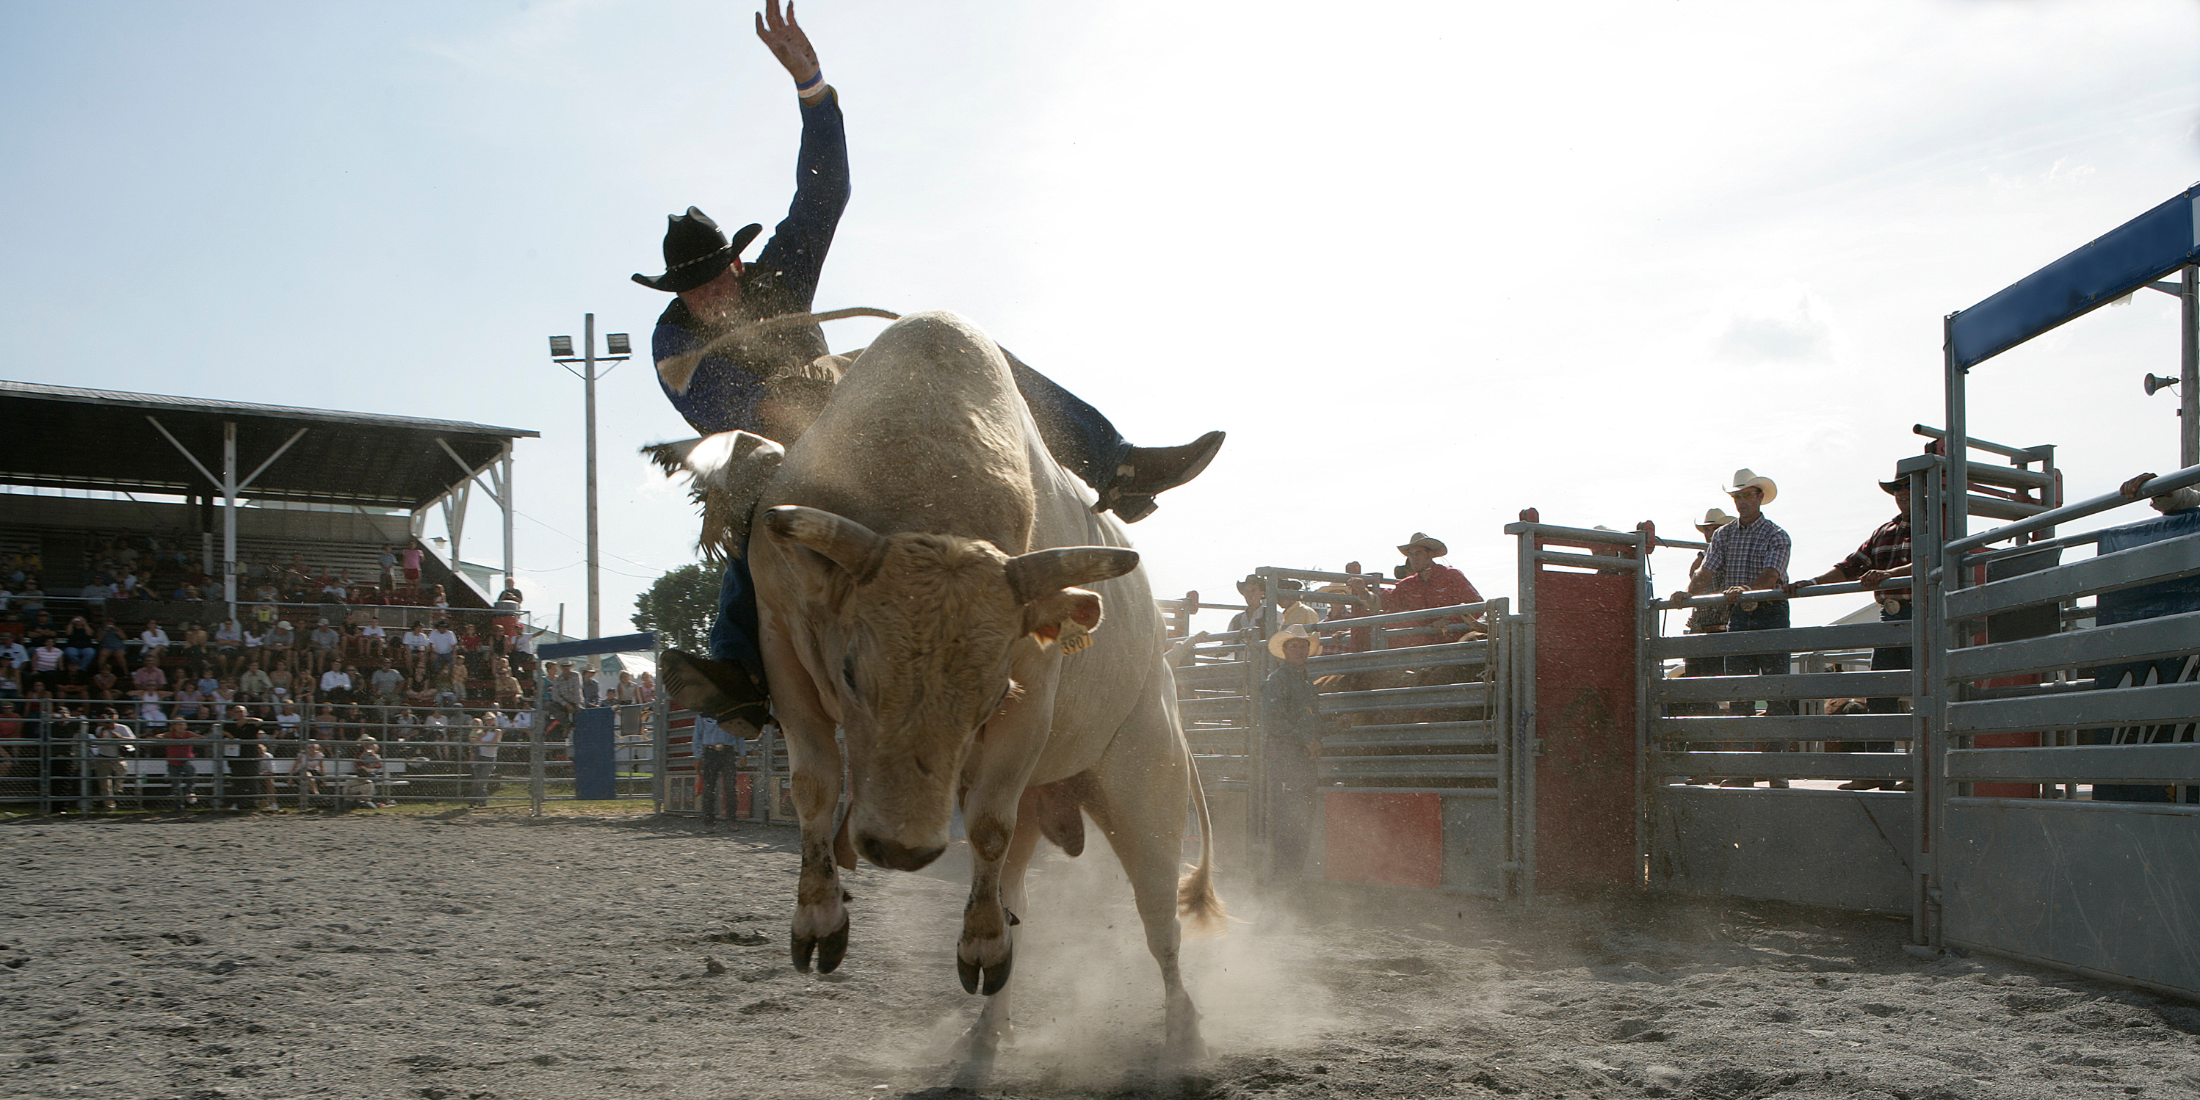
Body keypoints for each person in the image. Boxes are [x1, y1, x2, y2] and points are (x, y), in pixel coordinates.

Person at [642, 1, 1224, 729]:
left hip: (845, 410)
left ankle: (1114, 465)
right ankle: (739, 667)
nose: (709, 293)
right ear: (678, 294)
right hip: (783, 446)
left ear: (735, 260)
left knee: (980, 361)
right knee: (760, 504)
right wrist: (784, 407)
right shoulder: (674, 342)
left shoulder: (776, 276)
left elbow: (824, 194)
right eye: (694, 287)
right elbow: (727, 414)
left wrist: (812, 87)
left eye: (715, 276)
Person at [1786, 466, 1915, 790]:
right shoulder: (1884, 531)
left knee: (1925, 695)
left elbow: (1932, 560)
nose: (1901, 494)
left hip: (1922, 616)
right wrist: (1813, 582)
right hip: (1890, 617)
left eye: (1907, 487)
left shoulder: (1936, 526)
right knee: (1879, 697)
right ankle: (1879, 769)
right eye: (1897, 489)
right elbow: (1850, 566)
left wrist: (1888, 574)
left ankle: (1919, 773)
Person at [1675, 468, 1792, 788]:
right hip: (1739, 615)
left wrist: (1742, 590)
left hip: (1768, 612)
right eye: (1736, 497)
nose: (1741, 501)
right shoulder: (1724, 536)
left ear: (1759, 497)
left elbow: (1771, 577)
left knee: (1776, 693)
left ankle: (1775, 769)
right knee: (1738, 694)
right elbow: (1705, 572)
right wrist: (1688, 593)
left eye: (1746, 495)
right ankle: (1744, 769)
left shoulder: (1776, 534)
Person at [1259, 626, 1333, 880]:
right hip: (1288, 759)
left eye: (1303, 646)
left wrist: (1332, 726)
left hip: (1300, 760)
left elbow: (1307, 722)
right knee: (1292, 820)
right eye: (1294, 646)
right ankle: (1284, 879)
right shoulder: (1278, 681)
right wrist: (1306, 739)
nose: (1300, 650)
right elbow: (1273, 721)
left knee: (1299, 819)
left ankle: (1289, 878)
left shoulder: (1304, 683)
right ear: (1283, 651)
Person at [694, 712, 743, 829]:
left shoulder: (732, 713)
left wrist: (743, 754)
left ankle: (732, 820)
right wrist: (697, 756)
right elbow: (697, 736)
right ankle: (709, 822)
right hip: (710, 752)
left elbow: (739, 734)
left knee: (730, 787)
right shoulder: (703, 715)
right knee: (709, 788)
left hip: (728, 751)